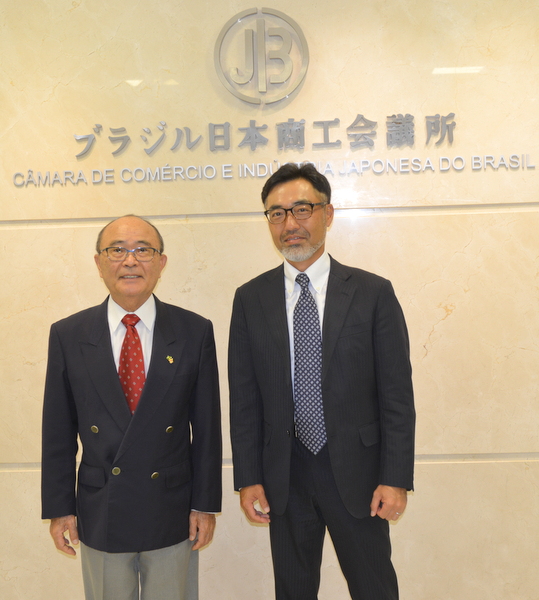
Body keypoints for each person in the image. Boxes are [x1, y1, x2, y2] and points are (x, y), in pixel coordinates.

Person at [228, 163, 415, 600]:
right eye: (277, 214)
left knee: (374, 589)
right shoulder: (250, 298)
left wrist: (395, 477)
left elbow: (396, 396)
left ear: (327, 214)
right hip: (284, 475)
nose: (289, 224)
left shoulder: (373, 293)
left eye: (301, 209)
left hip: (359, 475)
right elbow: (244, 399)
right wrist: (248, 477)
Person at [41, 215, 222, 600]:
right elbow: (57, 432)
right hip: (101, 508)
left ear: (161, 262)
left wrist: (205, 505)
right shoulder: (68, 334)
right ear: (98, 262)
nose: (130, 260)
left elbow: (207, 430)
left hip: (172, 508)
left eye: (143, 250)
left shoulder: (194, 331)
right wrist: (60, 508)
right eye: (117, 250)